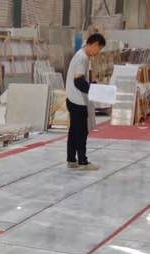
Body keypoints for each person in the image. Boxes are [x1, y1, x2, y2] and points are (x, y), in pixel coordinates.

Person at [65, 33, 106, 171]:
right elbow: (78, 81)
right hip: (78, 101)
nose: (98, 52)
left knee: (74, 131)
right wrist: (94, 90)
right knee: (81, 132)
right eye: (99, 49)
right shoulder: (82, 57)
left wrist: (91, 84)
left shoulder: (81, 55)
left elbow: (80, 79)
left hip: (72, 99)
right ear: (94, 44)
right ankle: (83, 162)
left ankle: (71, 159)